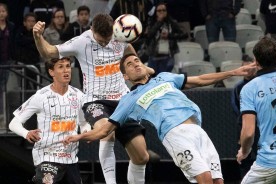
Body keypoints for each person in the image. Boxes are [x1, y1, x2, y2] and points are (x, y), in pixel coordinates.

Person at [63, 53, 256, 184]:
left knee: (217, 180)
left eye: (136, 61)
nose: (135, 64)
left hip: (198, 130)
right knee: (204, 178)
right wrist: (80, 136)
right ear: (125, 76)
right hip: (175, 134)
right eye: (129, 65)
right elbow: (106, 129)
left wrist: (233, 72)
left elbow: (200, 80)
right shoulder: (129, 99)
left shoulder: (165, 77)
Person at [33, 13, 154, 184]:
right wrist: (37, 36)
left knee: (142, 157)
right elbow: (48, 52)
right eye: (100, 40)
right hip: (95, 101)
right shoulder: (81, 42)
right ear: (91, 30)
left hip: (123, 100)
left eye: (107, 39)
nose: (105, 43)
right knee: (107, 132)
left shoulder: (122, 35)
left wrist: (147, 72)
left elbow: (131, 57)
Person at [9, 57, 91, 184]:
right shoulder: (40, 96)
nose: (66, 70)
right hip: (47, 155)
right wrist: (27, 133)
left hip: (71, 158)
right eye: (61, 67)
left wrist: (84, 134)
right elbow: (13, 124)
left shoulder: (79, 96)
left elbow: (84, 123)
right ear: (51, 72)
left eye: (68, 66)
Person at [236, 36, 276, 183]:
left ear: (255, 60)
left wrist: (244, 151)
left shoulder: (249, 89)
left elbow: (248, 133)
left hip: (270, 161)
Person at [231, 58, 259, 179]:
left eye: (250, 68)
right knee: (244, 158)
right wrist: (246, 118)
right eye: (245, 68)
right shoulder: (238, 87)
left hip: (260, 126)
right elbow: (234, 105)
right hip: (242, 125)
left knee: (259, 155)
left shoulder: (259, 84)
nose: (248, 71)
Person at [144, 2, 188, 74]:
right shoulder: (151, 23)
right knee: (153, 78)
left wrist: (169, 35)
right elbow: (148, 36)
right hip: (154, 57)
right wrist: (159, 22)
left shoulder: (171, 22)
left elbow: (184, 34)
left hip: (168, 56)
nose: (162, 12)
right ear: (156, 12)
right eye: (159, 11)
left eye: (164, 10)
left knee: (163, 77)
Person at [61, 5, 91, 90]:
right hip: (77, 55)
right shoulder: (73, 26)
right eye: (81, 14)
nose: (84, 16)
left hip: (90, 54)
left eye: (86, 14)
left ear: (89, 15)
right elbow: (63, 37)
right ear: (77, 16)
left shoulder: (92, 26)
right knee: (80, 74)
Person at [15, 12, 40, 90]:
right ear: (24, 23)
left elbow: (38, 46)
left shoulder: (39, 33)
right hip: (23, 64)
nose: (31, 23)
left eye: (33, 21)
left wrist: (27, 42)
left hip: (35, 64)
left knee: (37, 87)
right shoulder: (19, 32)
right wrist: (32, 41)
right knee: (24, 88)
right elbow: (19, 42)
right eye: (29, 21)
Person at [0, 2, 16, 125]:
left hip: (8, 61)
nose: (1, 14)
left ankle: (5, 117)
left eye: (3, 11)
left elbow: (14, 44)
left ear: (7, 13)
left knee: (6, 89)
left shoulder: (11, 26)